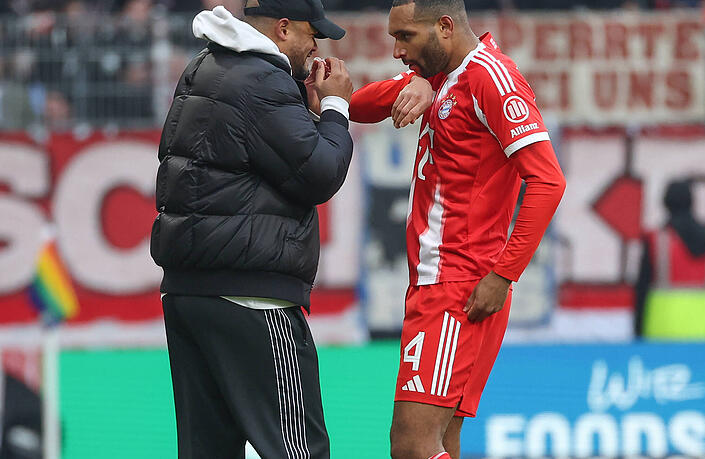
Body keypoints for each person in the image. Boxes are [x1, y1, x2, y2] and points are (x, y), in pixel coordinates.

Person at [347, 1, 566, 458]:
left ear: (444, 27)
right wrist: (419, 82)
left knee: (410, 446)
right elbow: (358, 106)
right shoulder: (442, 76)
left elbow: (547, 181)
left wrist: (504, 275)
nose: (396, 51)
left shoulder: (490, 77)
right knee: (441, 441)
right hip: (444, 284)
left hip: (459, 286)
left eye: (405, 37)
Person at [149, 0, 353, 457]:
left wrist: (308, 113)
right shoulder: (262, 79)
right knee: (297, 449)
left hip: (189, 294)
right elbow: (319, 174)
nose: (315, 46)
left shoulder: (206, 65)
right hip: (250, 297)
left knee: (209, 451)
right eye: (310, 33)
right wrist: (337, 107)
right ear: (282, 28)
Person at [634, 179, 705, 340]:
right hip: (704, 327)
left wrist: (637, 330)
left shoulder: (657, 240)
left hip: (662, 328)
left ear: (665, 204)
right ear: (692, 203)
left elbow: (641, 288)